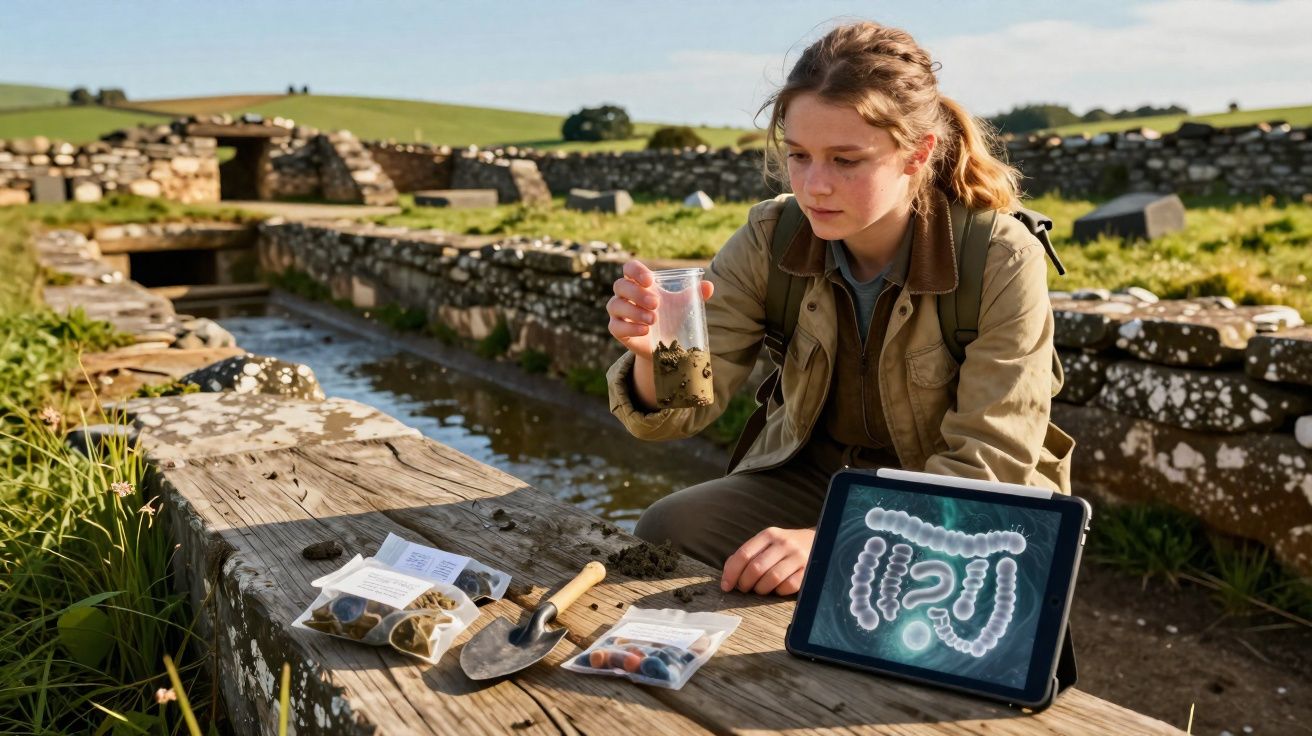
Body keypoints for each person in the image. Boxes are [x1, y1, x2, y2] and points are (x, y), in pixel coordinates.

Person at [604, 21, 1074, 597]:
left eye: (845, 160)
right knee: (668, 530)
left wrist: (835, 537)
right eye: (799, 155)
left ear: (917, 154)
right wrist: (657, 358)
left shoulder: (999, 258)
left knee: (904, 606)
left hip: (949, 497)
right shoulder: (770, 236)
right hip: (818, 477)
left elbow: (991, 465)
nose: (814, 186)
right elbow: (683, 408)